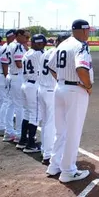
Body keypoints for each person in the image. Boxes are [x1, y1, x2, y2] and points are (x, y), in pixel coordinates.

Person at [47, 19, 94, 183]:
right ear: (83, 30)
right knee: (73, 132)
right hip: (75, 91)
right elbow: (81, 68)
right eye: (88, 30)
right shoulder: (81, 45)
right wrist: (87, 85)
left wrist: (62, 80)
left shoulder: (63, 44)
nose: (89, 33)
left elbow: (51, 66)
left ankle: (54, 165)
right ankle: (68, 171)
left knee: (61, 131)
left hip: (59, 89)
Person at [38, 33, 67, 165]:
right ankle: (49, 154)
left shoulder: (45, 53)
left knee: (45, 123)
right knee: (51, 124)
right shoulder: (59, 53)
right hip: (50, 90)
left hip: (42, 89)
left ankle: (45, 150)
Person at [19, 33, 47, 152]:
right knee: (35, 114)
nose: (43, 45)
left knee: (27, 113)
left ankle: (22, 140)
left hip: (25, 84)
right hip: (34, 85)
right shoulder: (39, 53)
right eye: (41, 43)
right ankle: (30, 144)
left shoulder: (27, 53)